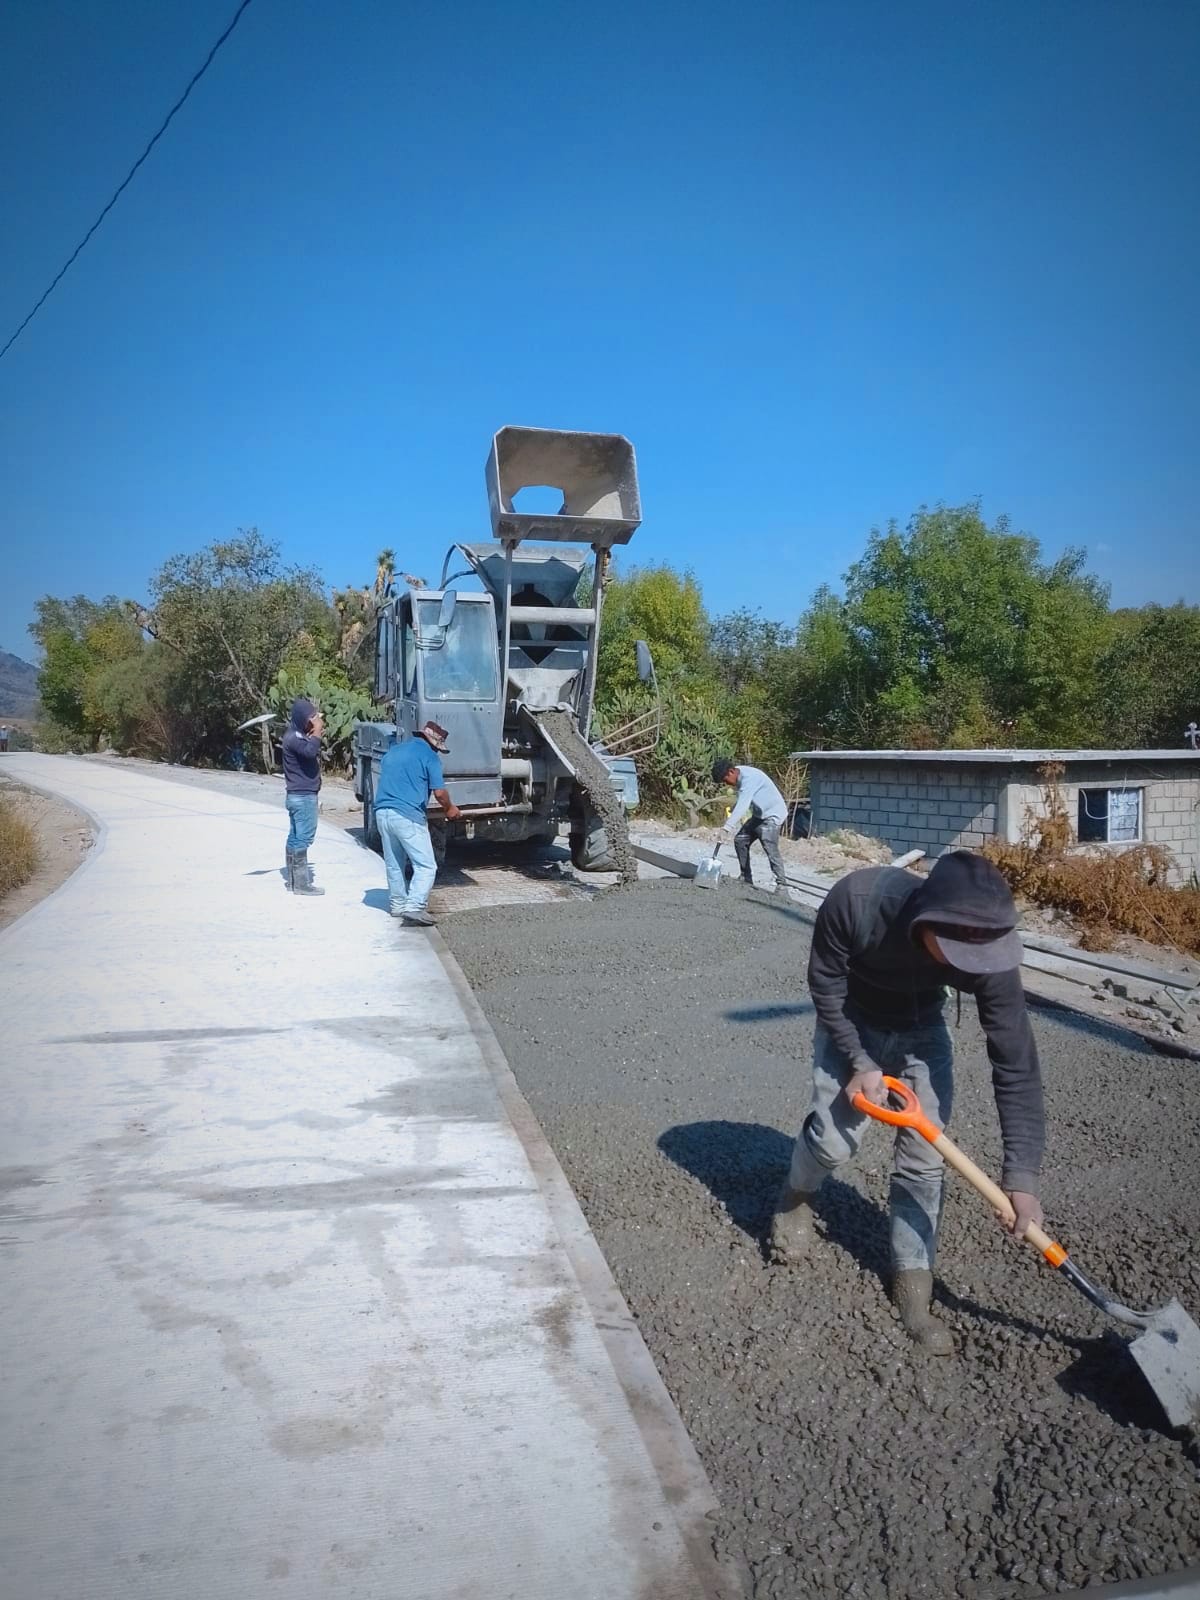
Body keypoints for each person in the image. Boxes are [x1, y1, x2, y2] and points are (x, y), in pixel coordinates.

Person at [770, 850, 1044, 1355]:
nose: (978, 965)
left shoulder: (985, 950)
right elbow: (825, 982)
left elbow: (1016, 1063)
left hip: (923, 1030)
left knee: (924, 1158)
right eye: (964, 952)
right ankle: (795, 1197)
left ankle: (912, 1284)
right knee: (833, 1143)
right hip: (853, 1018)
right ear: (926, 921)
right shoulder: (856, 900)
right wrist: (858, 1058)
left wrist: (1021, 1177)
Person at [374, 721, 461, 926]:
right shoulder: (430, 757)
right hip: (407, 816)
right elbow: (439, 793)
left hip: (382, 813)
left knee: (394, 863)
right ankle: (414, 906)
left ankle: (397, 906)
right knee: (426, 866)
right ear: (434, 744)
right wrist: (450, 809)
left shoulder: (393, 752)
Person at [711, 757, 789, 892]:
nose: (726, 784)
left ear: (731, 772)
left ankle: (782, 885)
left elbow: (743, 804)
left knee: (770, 847)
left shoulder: (749, 779)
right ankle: (746, 877)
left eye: (725, 780)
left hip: (772, 815)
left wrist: (727, 828)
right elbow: (741, 801)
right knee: (740, 840)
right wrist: (731, 816)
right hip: (759, 815)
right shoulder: (739, 773)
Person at [281, 697, 325, 897]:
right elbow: (309, 752)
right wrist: (317, 731)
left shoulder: (295, 734)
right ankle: (301, 884)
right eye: (310, 718)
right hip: (303, 796)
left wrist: (312, 731)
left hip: (296, 795)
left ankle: (292, 881)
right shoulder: (293, 738)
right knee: (304, 838)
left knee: (295, 836)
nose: (313, 721)